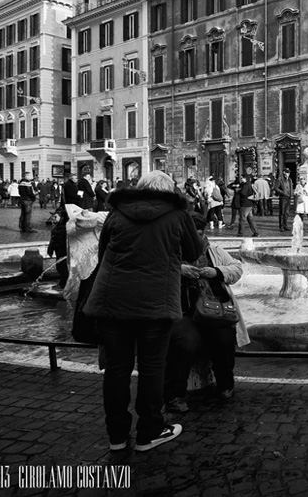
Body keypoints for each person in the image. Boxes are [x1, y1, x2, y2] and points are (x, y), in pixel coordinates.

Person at [84, 170, 202, 452]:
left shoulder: (117, 211)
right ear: (169, 191)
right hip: (155, 304)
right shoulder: (177, 214)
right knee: (152, 368)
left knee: (117, 370)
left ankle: (117, 436)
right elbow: (193, 251)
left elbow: (102, 254)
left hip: (112, 302)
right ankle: (149, 432)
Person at [164, 212, 249, 414]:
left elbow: (237, 268)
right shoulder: (170, 252)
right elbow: (155, 273)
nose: (197, 237)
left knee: (223, 338)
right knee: (185, 342)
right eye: (192, 233)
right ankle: (175, 394)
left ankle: (225, 383)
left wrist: (217, 272)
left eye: (200, 232)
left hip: (214, 311)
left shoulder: (214, 250)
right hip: (183, 312)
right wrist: (179, 270)